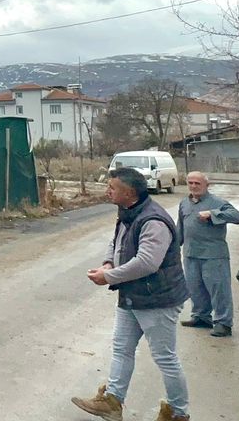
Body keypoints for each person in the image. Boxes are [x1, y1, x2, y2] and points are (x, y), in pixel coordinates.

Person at [71, 167, 190, 421]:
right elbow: (117, 241)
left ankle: (178, 413)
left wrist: (109, 277)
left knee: (164, 357)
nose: (107, 191)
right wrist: (108, 263)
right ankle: (113, 402)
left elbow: (147, 262)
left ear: (130, 192)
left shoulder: (153, 221)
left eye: (112, 188)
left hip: (158, 299)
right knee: (122, 348)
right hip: (133, 295)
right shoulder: (128, 211)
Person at [177, 171, 239, 337]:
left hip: (214, 255)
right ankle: (201, 317)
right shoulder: (184, 203)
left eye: (197, 183)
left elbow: (238, 217)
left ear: (207, 185)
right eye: (190, 183)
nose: (193, 186)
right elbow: (180, 228)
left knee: (218, 290)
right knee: (195, 288)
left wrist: (213, 214)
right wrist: (173, 247)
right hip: (191, 254)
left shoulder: (218, 202)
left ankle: (223, 323)